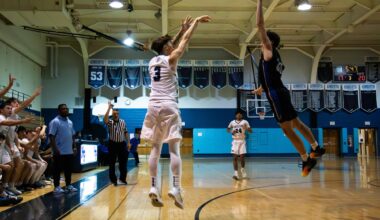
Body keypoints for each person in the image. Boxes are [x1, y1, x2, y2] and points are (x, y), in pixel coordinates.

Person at [141, 15, 211, 209]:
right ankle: (175, 187)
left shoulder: (152, 62)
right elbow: (184, 42)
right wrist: (194, 23)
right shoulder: (171, 59)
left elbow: (169, 43)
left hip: (152, 106)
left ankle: (154, 187)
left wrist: (180, 30)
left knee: (155, 148)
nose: (174, 45)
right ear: (167, 48)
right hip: (169, 106)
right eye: (171, 44)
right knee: (174, 149)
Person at [253, 0, 325, 177]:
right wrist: (262, 87)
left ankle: (306, 158)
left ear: (269, 42)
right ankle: (316, 147)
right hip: (279, 91)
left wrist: (259, 3)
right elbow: (273, 76)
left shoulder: (269, 50)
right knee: (297, 123)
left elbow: (259, 24)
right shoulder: (274, 56)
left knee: (286, 128)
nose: (260, 41)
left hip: (276, 95)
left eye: (263, 40)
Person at [49, 104, 77, 193]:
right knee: (57, 170)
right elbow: (51, 136)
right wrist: (55, 148)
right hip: (59, 151)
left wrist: (75, 147)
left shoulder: (70, 122)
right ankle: (57, 187)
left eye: (66, 108)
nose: (65, 110)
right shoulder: (55, 121)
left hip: (69, 151)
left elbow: (72, 135)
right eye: (63, 109)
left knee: (68, 170)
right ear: (59, 111)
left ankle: (68, 185)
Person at [104, 101, 130, 186]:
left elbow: (126, 132)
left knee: (123, 163)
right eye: (114, 113)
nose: (116, 115)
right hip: (113, 144)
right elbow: (105, 120)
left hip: (122, 144)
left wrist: (128, 142)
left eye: (117, 113)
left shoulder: (123, 122)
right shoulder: (110, 122)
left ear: (119, 114)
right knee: (112, 163)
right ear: (112, 114)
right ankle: (113, 180)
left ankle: (122, 179)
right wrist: (109, 108)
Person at [227, 111, 252, 180]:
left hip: (242, 141)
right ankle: (235, 173)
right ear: (235, 116)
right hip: (235, 141)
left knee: (242, 157)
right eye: (237, 114)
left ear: (242, 115)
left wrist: (246, 128)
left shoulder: (245, 122)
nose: (239, 115)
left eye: (240, 114)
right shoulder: (232, 122)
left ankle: (243, 170)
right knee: (234, 157)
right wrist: (232, 131)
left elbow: (251, 131)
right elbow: (228, 129)